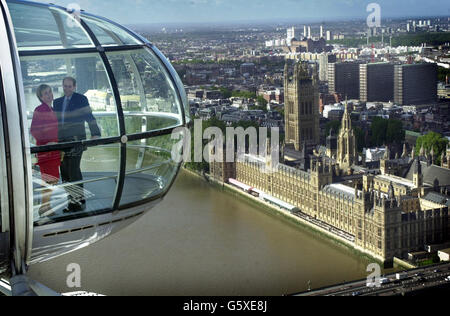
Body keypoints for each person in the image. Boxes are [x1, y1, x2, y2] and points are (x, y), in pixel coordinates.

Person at [53, 77, 101, 212]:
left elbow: (89, 116)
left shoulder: (81, 99)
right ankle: (72, 201)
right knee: (65, 173)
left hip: (76, 140)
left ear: (74, 87)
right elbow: (54, 122)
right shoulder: (57, 102)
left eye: (69, 86)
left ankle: (80, 201)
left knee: (74, 170)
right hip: (61, 142)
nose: (66, 89)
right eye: (64, 86)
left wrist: (95, 134)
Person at [30, 84, 61, 216]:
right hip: (46, 149)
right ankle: (44, 207)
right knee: (49, 179)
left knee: (53, 179)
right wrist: (47, 142)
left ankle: (46, 206)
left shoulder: (52, 109)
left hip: (54, 149)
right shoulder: (40, 109)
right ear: (41, 97)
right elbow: (34, 130)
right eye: (46, 93)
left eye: (50, 92)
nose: (49, 95)